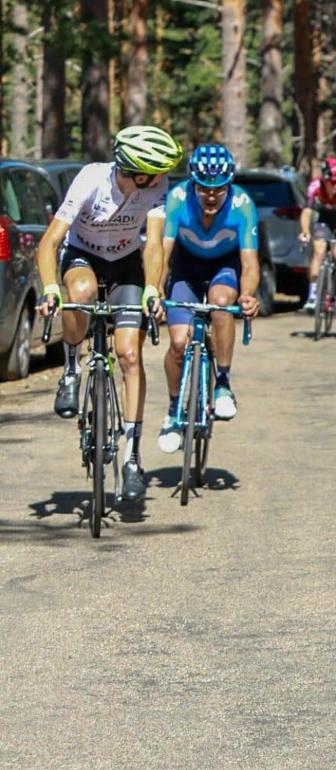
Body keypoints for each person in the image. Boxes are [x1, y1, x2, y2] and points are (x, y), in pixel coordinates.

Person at [35, 125, 183, 500]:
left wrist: (153, 287)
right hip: (84, 256)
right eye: (158, 171)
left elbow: (153, 246)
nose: (164, 178)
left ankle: (132, 457)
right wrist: (52, 287)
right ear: (137, 170)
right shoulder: (91, 181)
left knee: (130, 355)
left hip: (125, 263)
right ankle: (70, 369)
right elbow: (50, 242)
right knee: (81, 292)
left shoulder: (155, 189)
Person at [156, 144, 261, 454]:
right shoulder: (176, 199)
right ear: (193, 184)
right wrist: (156, 290)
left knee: (220, 301)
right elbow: (162, 254)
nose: (211, 196)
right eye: (203, 189)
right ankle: (174, 410)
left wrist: (247, 296)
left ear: (229, 184)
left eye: (219, 189)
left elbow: (251, 262)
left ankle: (224, 383)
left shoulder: (243, 204)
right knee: (177, 344)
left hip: (224, 266)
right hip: (186, 268)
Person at [300, 157, 336, 311]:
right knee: (319, 252)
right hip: (324, 219)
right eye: (332, 182)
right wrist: (305, 231)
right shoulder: (315, 185)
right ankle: (312, 294)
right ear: (324, 179)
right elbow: (307, 211)